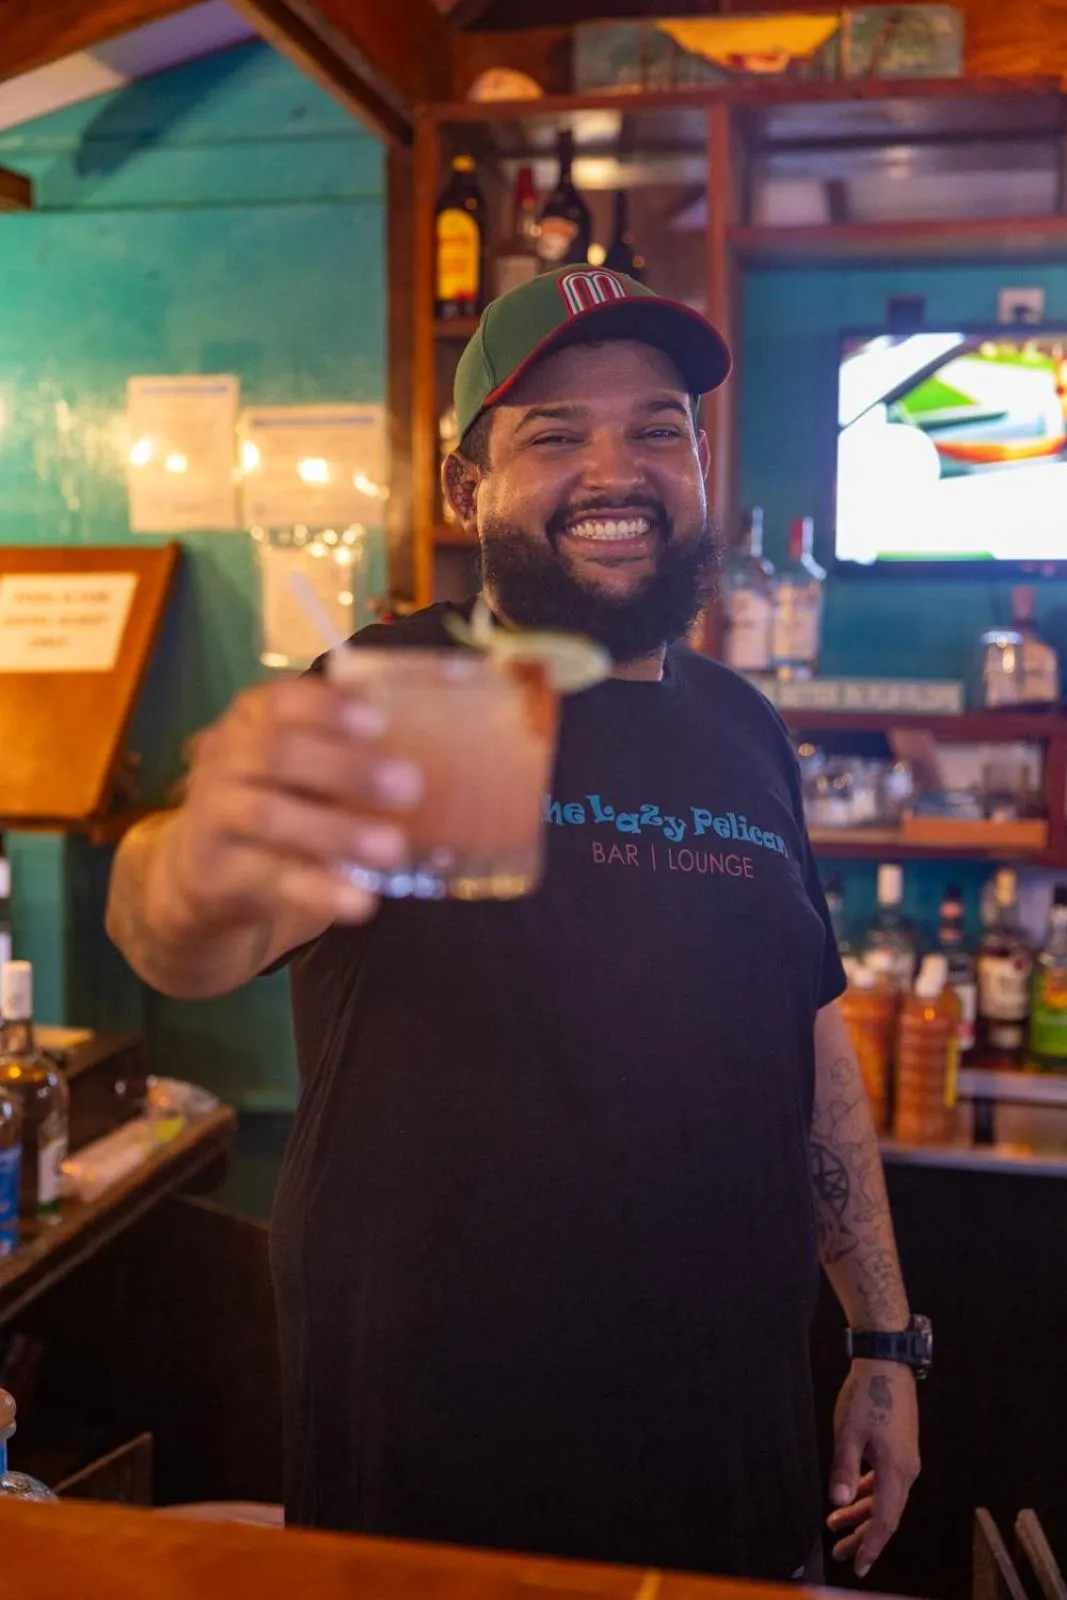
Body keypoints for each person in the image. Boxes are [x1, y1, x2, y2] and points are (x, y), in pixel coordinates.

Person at [106, 266, 924, 1584]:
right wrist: (196, 857)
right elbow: (176, 934)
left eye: (656, 427)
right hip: (440, 1475)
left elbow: (806, 1034)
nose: (617, 466)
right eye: (553, 433)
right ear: (463, 486)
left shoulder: (744, 730)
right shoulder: (391, 697)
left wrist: (882, 1343)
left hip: (731, 1457)